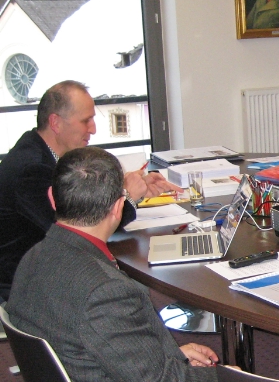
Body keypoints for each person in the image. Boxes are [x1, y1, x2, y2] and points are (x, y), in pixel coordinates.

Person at [6, 147, 219, 382]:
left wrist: (169, 355)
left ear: (52, 198)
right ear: (119, 207)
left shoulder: (33, 257)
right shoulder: (105, 291)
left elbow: (89, 342)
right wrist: (228, 376)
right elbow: (158, 381)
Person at [0, 80, 177, 300]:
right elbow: (79, 229)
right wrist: (128, 197)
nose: (93, 129)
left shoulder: (39, 152)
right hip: (30, 288)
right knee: (141, 291)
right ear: (55, 122)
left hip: (48, 267)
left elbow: (80, 208)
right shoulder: (31, 170)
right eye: (86, 121)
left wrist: (127, 189)